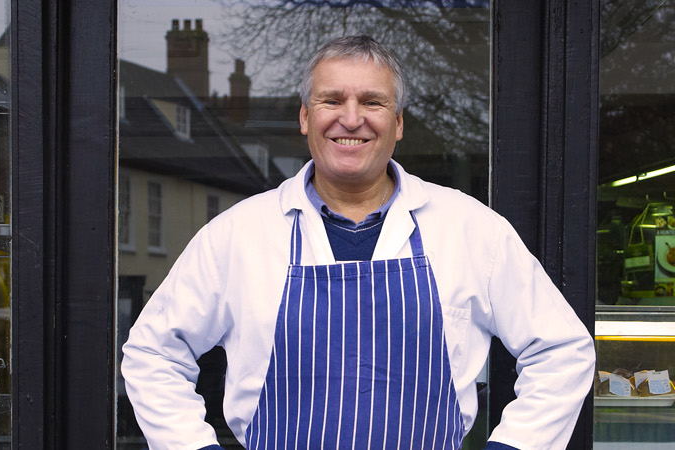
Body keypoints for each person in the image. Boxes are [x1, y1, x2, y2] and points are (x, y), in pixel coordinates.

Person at [121, 36, 594, 450]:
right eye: (331, 100)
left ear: (398, 123)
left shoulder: (472, 230)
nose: (351, 119)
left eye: (372, 102)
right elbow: (153, 354)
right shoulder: (237, 235)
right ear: (306, 117)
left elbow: (562, 351)